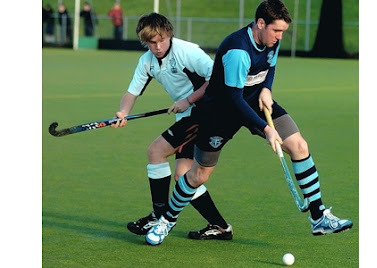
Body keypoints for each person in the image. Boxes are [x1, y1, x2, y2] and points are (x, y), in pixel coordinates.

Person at [145, 0, 353, 246]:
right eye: (276, 31)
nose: (279, 36)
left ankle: (318, 217)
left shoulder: (271, 39)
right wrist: (266, 129)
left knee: (299, 146)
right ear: (260, 23)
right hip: (221, 112)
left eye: (282, 31)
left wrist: (266, 88)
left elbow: (270, 65)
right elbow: (234, 99)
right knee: (198, 175)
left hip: (255, 101)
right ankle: (166, 220)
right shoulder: (237, 52)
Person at [111, 13, 233, 241]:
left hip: (208, 111)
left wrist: (188, 100)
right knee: (183, 176)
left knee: (156, 151)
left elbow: (217, 78)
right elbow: (132, 92)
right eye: (151, 43)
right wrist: (123, 113)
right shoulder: (147, 61)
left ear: (169, 35)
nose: (157, 47)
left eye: (161, 41)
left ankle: (159, 216)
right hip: (189, 114)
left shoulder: (187, 52)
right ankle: (220, 227)